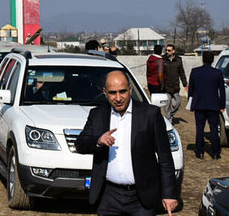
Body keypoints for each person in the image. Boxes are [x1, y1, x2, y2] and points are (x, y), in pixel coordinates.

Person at [75, 70, 178, 216]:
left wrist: (169, 193)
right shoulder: (97, 114)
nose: (118, 98)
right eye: (112, 93)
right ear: (105, 92)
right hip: (108, 197)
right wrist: (98, 140)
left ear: (130, 89)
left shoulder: (150, 114)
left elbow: (165, 158)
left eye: (122, 91)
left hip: (142, 198)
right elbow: (80, 144)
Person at [188, 51, 225, 160]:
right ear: (213, 60)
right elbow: (221, 91)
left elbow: (191, 90)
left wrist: (191, 104)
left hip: (199, 104)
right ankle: (216, 153)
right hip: (213, 105)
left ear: (202, 59)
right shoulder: (217, 73)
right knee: (214, 129)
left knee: (200, 129)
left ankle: (200, 152)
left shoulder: (195, 72)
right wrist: (222, 105)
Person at [162, 44, 188, 124]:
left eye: (169, 50)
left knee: (178, 102)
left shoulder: (178, 60)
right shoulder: (163, 59)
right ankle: (169, 121)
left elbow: (181, 72)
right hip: (166, 86)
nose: (167, 52)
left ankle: (170, 115)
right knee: (167, 104)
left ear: (174, 51)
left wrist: (185, 84)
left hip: (175, 86)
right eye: (166, 50)